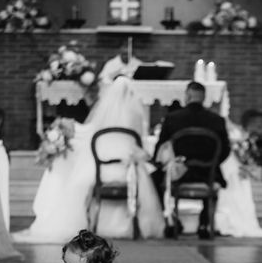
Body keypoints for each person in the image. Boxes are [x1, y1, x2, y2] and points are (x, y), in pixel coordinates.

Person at [12, 76, 165, 243]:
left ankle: (94, 224)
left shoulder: (104, 115)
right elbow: (138, 145)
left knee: (79, 181)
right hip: (126, 171)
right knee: (143, 177)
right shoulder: (135, 113)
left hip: (101, 171)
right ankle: (132, 226)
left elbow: (94, 139)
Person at [153, 81, 230, 239]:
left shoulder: (172, 118)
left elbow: (161, 149)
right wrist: (212, 164)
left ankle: (172, 222)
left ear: (187, 96)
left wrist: (166, 164)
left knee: (154, 179)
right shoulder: (217, 120)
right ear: (204, 98)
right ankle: (204, 223)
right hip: (208, 174)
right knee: (215, 178)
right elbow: (225, 150)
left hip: (179, 174)